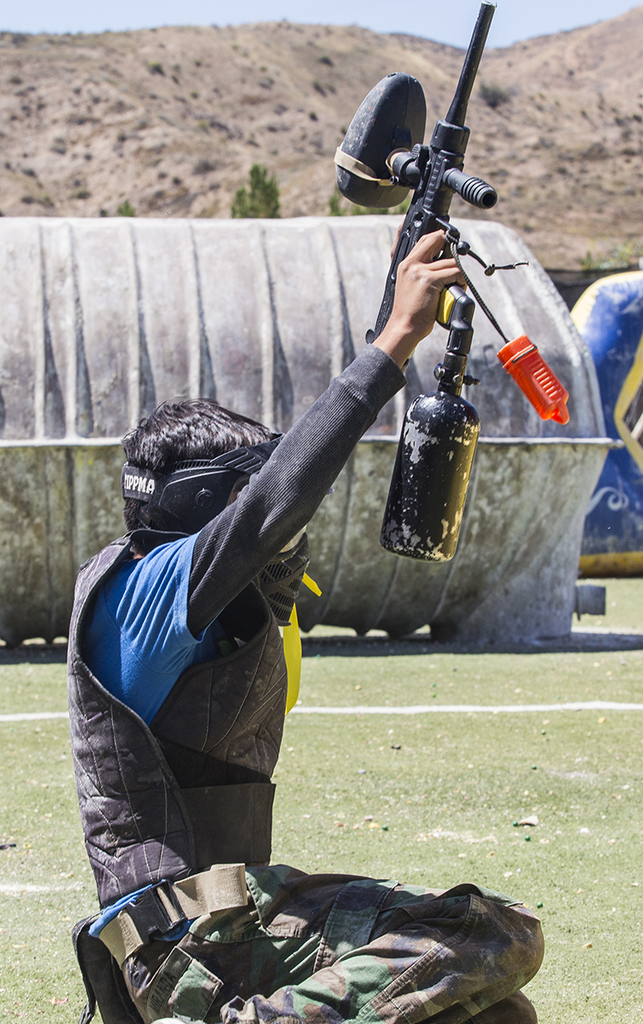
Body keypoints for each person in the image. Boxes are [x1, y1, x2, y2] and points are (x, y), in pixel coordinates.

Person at [68, 231, 544, 1024]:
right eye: (245, 493)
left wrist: (396, 293)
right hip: (182, 945)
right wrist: (395, 342)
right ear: (198, 502)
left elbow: (289, 495)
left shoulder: (203, 605)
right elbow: (278, 499)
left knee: (494, 1012)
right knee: (487, 931)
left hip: (227, 929)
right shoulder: (146, 589)